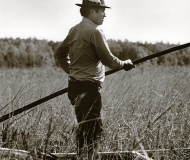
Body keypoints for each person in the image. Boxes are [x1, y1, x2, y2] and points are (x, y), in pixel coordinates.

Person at [55, 0, 135, 159]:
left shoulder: (74, 30)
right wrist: (123, 64)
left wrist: (72, 71)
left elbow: (59, 53)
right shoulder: (95, 31)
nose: (104, 14)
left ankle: (81, 157)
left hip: (74, 87)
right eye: (101, 11)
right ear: (91, 11)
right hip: (89, 89)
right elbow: (108, 60)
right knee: (94, 130)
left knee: (84, 127)